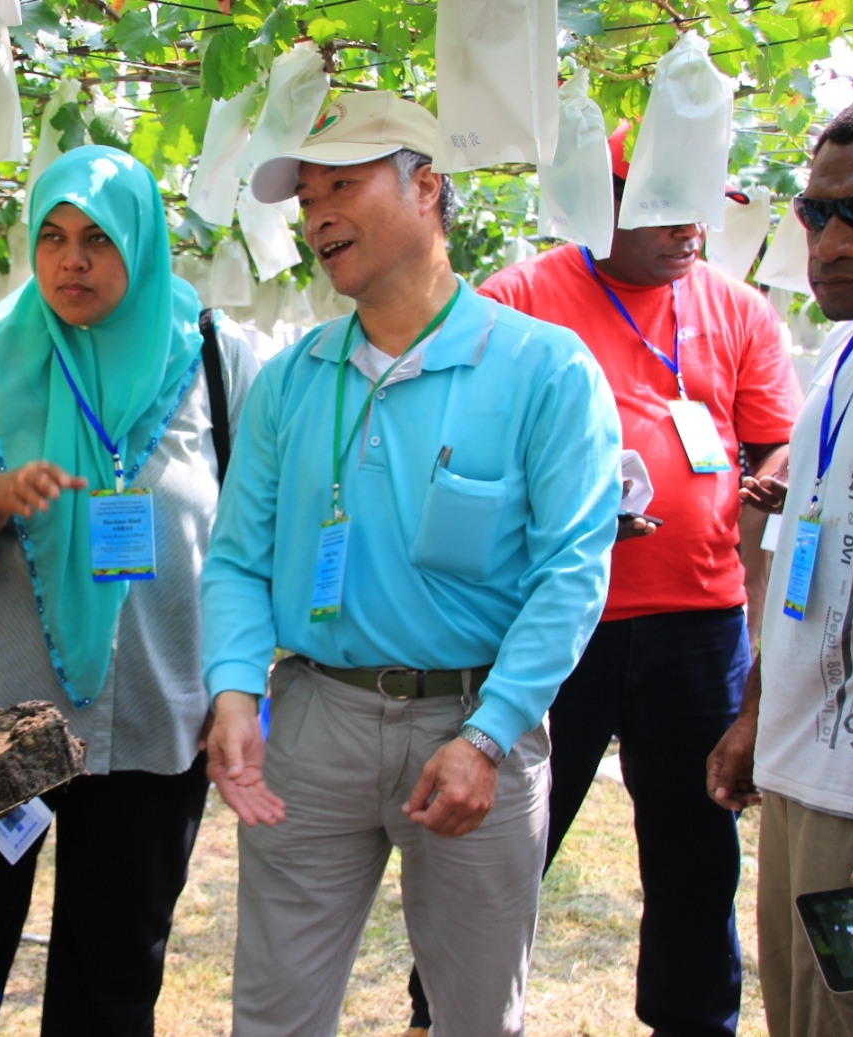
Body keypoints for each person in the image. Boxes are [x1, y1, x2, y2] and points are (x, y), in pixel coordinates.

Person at [201, 91, 622, 1037]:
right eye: (306, 199)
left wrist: (488, 735)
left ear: (425, 187)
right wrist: (233, 690)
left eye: (341, 186)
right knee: (272, 1009)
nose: (316, 218)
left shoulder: (542, 369)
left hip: (476, 725)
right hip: (313, 721)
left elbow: (571, 571)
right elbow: (236, 559)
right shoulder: (292, 378)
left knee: (476, 1012)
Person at [400, 123, 799, 1037]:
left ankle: (693, 1021)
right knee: (507, 841)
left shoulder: (737, 309)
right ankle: (444, 1012)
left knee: (697, 846)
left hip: (701, 622)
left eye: (697, 204)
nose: (688, 228)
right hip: (556, 622)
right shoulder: (519, 299)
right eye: (661, 207)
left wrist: (768, 476)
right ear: (599, 203)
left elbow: (772, 429)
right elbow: (450, 437)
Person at [0, 145, 261, 1036]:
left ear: (143, 247)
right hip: (2, 710)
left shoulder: (218, 356)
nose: (71, 260)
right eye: (51, 237)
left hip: (156, 714)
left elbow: (250, 532)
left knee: (114, 969)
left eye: (97, 239)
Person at [707, 81, 853, 1037]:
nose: (830, 242)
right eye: (816, 211)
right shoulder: (844, 351)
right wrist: (759, 715)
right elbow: (812, 563)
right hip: (804, 786)